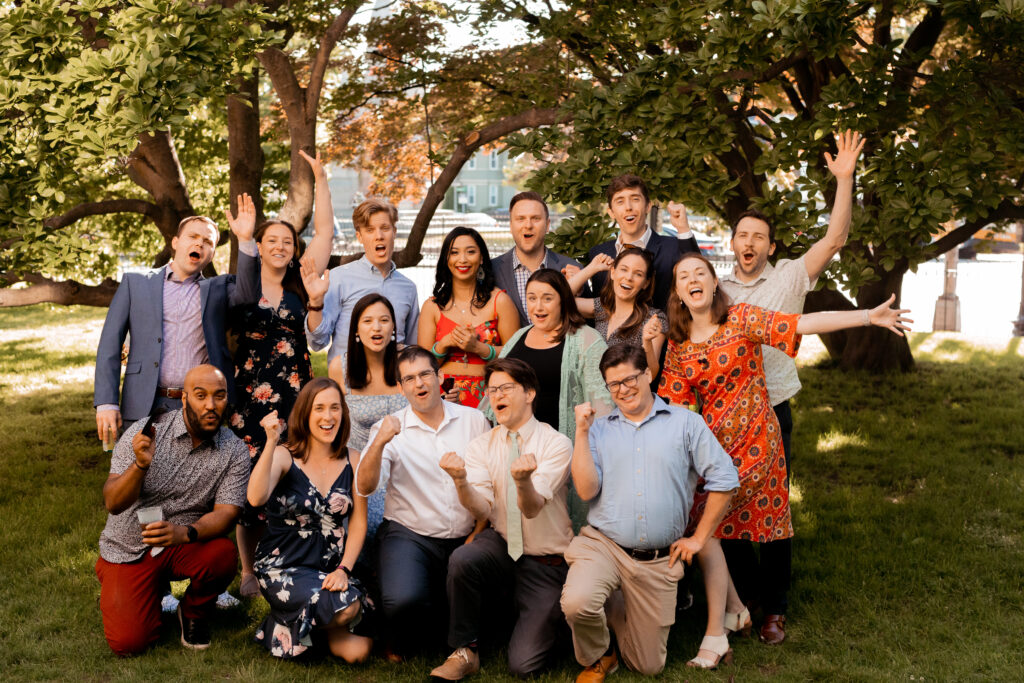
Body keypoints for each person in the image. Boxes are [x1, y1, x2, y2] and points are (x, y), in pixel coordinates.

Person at [658, 252, 911, 655]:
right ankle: (743, 603)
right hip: (715, 449)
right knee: (720, 525)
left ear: (712, 282)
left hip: (760, 438)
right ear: (677, 293)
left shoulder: (740, 318)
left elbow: (801, 324)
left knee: (768, 523)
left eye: (700, 273)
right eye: (683, 276)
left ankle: (774, 609)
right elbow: (671, 407)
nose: (693, 279)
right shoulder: (678, 346)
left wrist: (866, 316)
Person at [716, 130, 863, 643]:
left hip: (773, 409)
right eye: (742, 235)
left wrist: (843, 180)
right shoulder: (715, 288)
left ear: (771, 246)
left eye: (759, 236)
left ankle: (775, 607)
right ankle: (747, 595)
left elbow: (835, 238)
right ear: (732, 243)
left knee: (772, 509)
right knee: (724, 505)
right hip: (723, 415)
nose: (750, 243)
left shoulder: (791, 278)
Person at [561, 345, 739, 681]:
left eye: (629, 379)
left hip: (657, 560)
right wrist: (582, 433)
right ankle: (601, 653)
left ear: (647, 374)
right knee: (577, 602)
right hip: (605, 546)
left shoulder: (687, 424)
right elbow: (585, 491)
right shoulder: (598, 429)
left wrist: (699, 539)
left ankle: (618, 607)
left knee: (648, 666)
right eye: (614, 384)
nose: (623, 389)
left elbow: (726, 479)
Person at [229, 150, 336, 598]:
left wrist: (322, 181)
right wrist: (243, 240)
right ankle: (247, 571)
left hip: (295, 398)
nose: (279, 246)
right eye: (270, 240)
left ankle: (291, 558)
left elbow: (326, 232)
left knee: (289, 478)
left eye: (287, 241)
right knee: (246, 479)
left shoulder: (301, 282)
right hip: (247, 398)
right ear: (260, 245)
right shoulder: (241, 282)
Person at [431, 359, 573, 680]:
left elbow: (533, 507)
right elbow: (481, 510)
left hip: (545, 561)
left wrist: (523, 481)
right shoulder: (482, 444)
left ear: (530, 393)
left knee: (523, 667)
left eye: (506, 388)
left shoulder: (556, 444)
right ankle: (464, 650)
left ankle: (558, 623)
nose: (497, 395)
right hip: (504, 545)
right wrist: (460, 480)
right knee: (465, 558)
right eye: (492, 389)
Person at [94, 365, 249, 656]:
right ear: (184, 398)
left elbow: (227, 513)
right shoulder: (145, 433)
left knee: (222, 554)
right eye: (201, 396)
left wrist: (185, 533)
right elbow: (113, 502)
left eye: (219, 396)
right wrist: (140, 466)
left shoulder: (234, 450)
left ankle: (192, 611)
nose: (211, 405)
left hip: (182, 544)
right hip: (130, 546)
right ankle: (132, 587)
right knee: (130, 644)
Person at [356, 346, 492, 658]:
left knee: (484, 607)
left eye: (424, 374)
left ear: (439, 376)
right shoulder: (388, 429)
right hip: (410, 535)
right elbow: (364, 486)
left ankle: (448, 627)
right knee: (404, 601)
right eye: (409, 379)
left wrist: (477, 531)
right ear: (401, 387)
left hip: (466, 534)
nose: (419, 383)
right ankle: (401, 628)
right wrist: (378, 442)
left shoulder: (474, 421)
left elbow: (490, 485)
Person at [94, 203, 259, 441]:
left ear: (212, 253)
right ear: (175, 242)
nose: (199, 244)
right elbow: (110, 344)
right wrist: (107, 402)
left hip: (199, 407)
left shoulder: (218, 289)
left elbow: (248, 294)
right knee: (137, 475)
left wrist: (245, 239)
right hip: (143, 404)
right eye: (192, 236)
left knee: (195, 477)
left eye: (208, 242)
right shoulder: (135, 283)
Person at [246, 377, 373, 662]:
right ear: (305, 413)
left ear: (343, 412)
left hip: (329, 569)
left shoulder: (354, 459)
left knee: (359, 652)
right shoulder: (284, 456)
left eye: (335, 408)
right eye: (319, 408)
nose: (328, 417)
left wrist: (344, 570)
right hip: (283, 566)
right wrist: (270, 442)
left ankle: (290, 627)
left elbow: (359, 523)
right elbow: (255, 498)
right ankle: (302, 623)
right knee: (349, 609)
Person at [304, 196, 419, 374]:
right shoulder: (339, 278)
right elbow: (317, 342)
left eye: (385, 228)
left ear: (394, 232)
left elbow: (413, 348)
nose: (379, 236)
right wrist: (315, 302)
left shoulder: (408, 288)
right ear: (359, 236)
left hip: (396, 389)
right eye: (370, 230)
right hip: (350, 387)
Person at [417, 226, 519, 408]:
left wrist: (479, 348)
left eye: (470, 252)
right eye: (454, 252)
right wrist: (444, 344)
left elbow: (515, 356)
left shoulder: (500, 301)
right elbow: (422, 368)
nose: (462, 259)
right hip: (443, 397)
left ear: (481, 258)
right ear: (446, 259)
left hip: (490, 397)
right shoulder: (431, 307)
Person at [337, 293, 408, 539]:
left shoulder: (408, 361)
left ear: (394, 328)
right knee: (368, 530)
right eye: (367, 321)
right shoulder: (341, 368)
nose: (376, 327)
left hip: (408, 466)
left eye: (384, 320)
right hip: (362, 471)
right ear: (356, 328)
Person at [587, 175, 698, 309]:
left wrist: (683, 228)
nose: (628, 207)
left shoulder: (673, 248)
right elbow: (596, 307)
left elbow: (699, 277)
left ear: (648, 206)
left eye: (635, 199)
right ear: (611, 212)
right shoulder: (598, 253)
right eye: (620, 201)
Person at [567, 246, 667, 375]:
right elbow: (558, 300)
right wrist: (591, 268)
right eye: (624, 270)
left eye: (638, 274)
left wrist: (646, 342)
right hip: (592, 392)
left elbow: (651, 373)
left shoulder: (654, 318)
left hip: (626, 392)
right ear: (613, 273)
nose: (629, 277)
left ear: (645, 283)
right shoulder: (601, 308)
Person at [492, 191, 586, 325]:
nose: (528, 225)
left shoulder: (572, 269)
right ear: (511, 226)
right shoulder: (492, 270)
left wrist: (576, 292)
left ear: (547, 225)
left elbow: (585, 322)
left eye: (535, 218)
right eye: (520, 219)